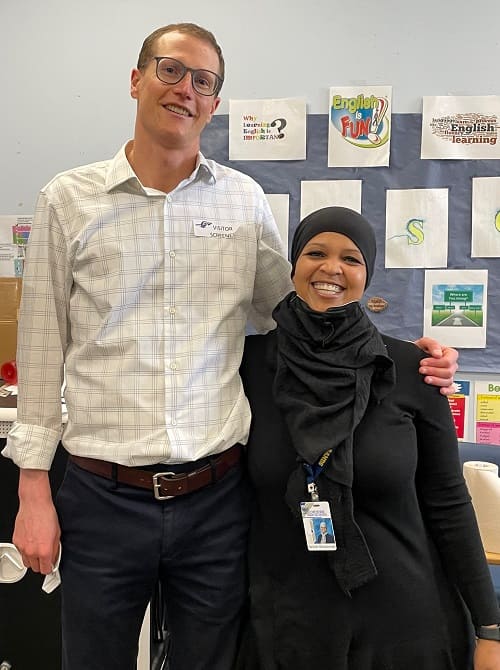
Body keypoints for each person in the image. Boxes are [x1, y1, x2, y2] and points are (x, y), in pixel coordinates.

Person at [1, 23, 458, 670]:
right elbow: (42, 351)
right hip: (101, 498)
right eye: (170, 70)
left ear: (213, 103)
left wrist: (408, 357)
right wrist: (33, 494)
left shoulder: (242, 203)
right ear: (136, 79)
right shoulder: (67, 201)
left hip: (214, 501)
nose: (185, 88)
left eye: (204, 81)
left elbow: (295, 312)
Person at [238, 206, 500, 670]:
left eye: (351, 258)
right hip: (288, 623)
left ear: (368, 274)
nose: (331, 268)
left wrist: (490, 627)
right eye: (315, 252)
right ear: (293, 265)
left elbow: (448, 502)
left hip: (403, 625)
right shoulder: (246, 367)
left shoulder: (411, 371)